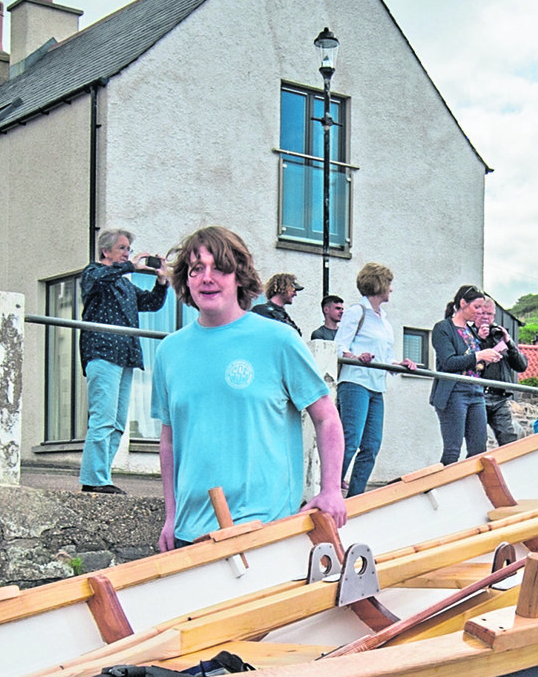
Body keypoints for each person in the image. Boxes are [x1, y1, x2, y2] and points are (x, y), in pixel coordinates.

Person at [151, 226, 342, 551]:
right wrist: (171, 518)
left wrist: (331, 490)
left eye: (219, 268)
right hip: (190, 534)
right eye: (197, 269)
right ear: (186, 279)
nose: (207, 278)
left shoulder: (278, 340)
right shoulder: (169, 352)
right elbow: (169, 441)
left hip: (265, 530)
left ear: (239, 276)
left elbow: (326, 418)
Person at [74, 228, 167, 496]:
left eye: (128, 249)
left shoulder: (124, 284)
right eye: (122, 248)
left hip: (125, 355)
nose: (127, 253)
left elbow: (150, 303)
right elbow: (97, 281)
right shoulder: (93, 273)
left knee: (116, 422)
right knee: (102, 418)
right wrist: (129, 266)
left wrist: (161, 282)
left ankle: (101, 476)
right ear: (106, 251)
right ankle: (93, 479)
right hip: (102, 351)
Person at [333, 262, 398, 499]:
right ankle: (329, 490)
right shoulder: (356, 312)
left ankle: (356, 498)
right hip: (355, 383)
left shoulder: (384, 320)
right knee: (351, 440)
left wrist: (399, 364)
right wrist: (355, 357)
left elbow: (386, 356)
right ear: (379, 284)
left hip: (376, 386)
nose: (391, 289)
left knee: (371, 445)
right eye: (389, 284)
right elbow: (339, 347)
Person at [431, 288, 499, 462]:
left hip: (476, 390)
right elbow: (448, 362)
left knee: (479, 449)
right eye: (476, 307)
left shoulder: (471, 332)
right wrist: (479, 356)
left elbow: (473, 363)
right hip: (454, 391)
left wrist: (485, 360)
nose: (479, 312)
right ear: (462, 304)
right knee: (453, 449)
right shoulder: (443, 328)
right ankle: (444, 487)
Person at [471, 291, 529, 439]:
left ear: (494, 315)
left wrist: (510, 343)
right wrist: (479, 339)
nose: (485, 317)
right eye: (482, 313)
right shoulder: (468, 334)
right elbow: (468, 362)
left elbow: (521, 366)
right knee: (477, 441)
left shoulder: (499, 335)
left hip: (500, 398)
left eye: (489, 314)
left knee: (509, 439)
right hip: (477, 395)